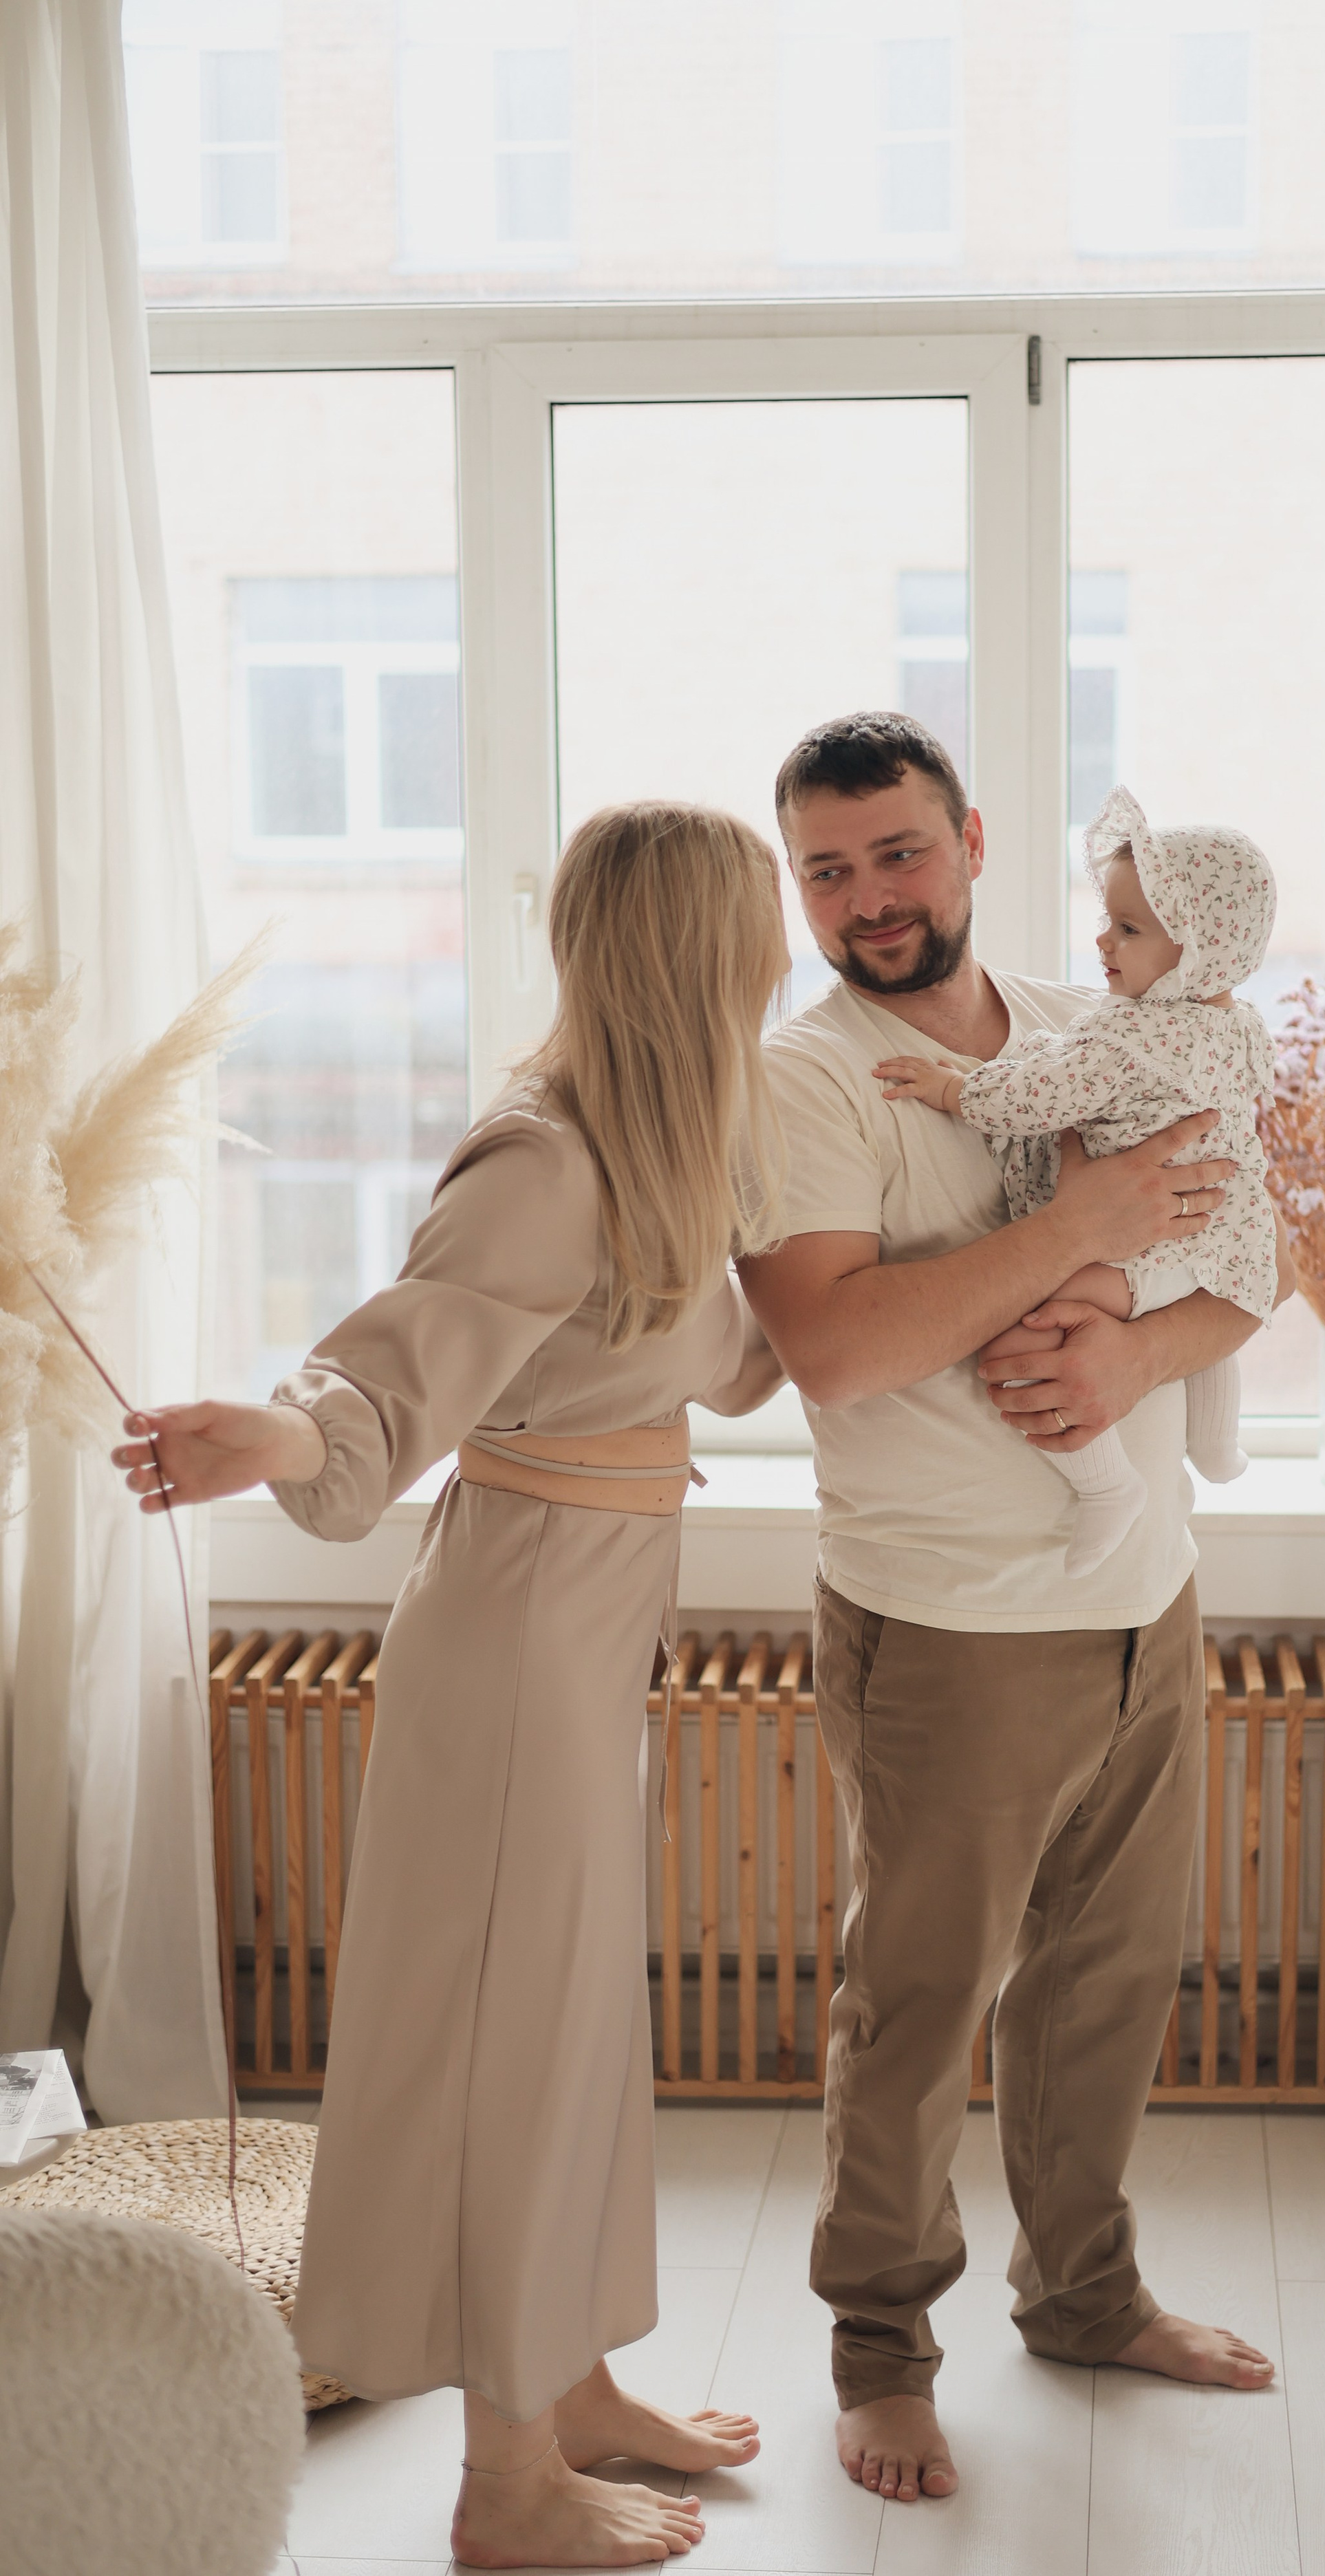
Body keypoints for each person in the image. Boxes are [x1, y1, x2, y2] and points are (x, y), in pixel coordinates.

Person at [113, 803, 790, 2572]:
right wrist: (270, 1433)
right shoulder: (543, 1158)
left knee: (570, 2040)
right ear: (699, 951)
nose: (783, 952)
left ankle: (561, 2384)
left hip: (578, 1646)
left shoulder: (660, 1145)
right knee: (513, 2056)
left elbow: (725, 1366)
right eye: (763, 923)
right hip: (509, 1659)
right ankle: (503, 2488)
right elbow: (382, 1382)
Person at [737, 713, 1291, 2507]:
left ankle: (1089, 2294)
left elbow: (1231, 1272)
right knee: (916, 2003)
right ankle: (883, 2354)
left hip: (1143, 1591)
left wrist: (1134, 1343)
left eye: (898, 853)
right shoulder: (807, 1083)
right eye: (829, 870)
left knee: (1107, 1980)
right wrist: (1089, 1226)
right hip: (950, 1623)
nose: (869, 898)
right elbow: (835, 1346)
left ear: (971, 843)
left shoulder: (1100, 1027)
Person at [873, 788, 1280, 1572]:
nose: (1103, 939)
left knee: (1022, 1331)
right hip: (1227, 1245)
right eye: (1108, 918)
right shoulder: (1237, 1026)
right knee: (1221, 1306)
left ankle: (1104, 1487)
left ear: (1196, 951)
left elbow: (1037, 1098)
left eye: (1128, 929)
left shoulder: (1129, 1035)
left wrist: (953, 1088)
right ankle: (1217, 1444)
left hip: (1144, 1253)